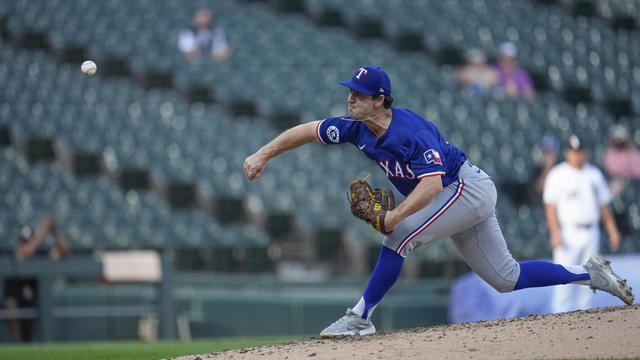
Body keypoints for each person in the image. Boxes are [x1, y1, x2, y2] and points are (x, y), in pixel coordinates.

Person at [243, 65, 634, 336]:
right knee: (506, 278)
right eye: (350, 92)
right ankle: (590, 274)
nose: (350, 99)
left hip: (466, 188)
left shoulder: (410, 132)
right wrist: (263, 154)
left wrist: (395, 215)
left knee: (398, 236)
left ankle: (360, 318)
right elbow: (309, 131)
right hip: (456, 195)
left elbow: (430, 187)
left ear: (380, 100)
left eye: (359, 95)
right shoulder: (354, 128)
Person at [543, 135, 622, 314]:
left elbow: (604, 206)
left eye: (580, 151)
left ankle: (585, 320)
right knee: (563, 276)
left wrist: (612, 231)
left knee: (590, 277)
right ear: (567, 152)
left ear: (585, 153)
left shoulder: (594, 174)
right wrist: (554, 233)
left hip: (591, 230)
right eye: (573, 151)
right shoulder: (558, 174)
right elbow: (550, 206)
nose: (577, 155)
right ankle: (559, 316)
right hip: (568, 232)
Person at [3, 215, 70, 342]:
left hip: (33, 302)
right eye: (24, 241)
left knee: (28, 337)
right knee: (10, 305)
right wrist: (43, 229)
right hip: (15, 301)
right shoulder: (14, 253)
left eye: (28, 241)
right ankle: (18, 346)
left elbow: (65, 251)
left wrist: (54, 231)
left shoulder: (39, 255)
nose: (26, 244)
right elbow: (24, 253)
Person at [603, 125, 640, 197]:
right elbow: (611, 169)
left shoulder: (632, 151)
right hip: (617, 181)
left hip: (632, 182)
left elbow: (637, 170)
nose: (618, 142)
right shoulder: (610, 153)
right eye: (616, 139)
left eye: (620, 139)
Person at [528, 134, 560, 203]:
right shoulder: (536, 171)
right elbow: (539, 189)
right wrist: (548, 167)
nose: (548, 155)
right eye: (546, 152)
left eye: (551, 152)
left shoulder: (562, 170)